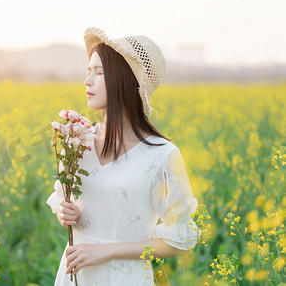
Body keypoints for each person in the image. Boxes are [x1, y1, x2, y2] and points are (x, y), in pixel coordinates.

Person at [46, 27, 202, 285]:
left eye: (99, 72)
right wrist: (65, 212)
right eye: (88, 71)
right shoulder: (77, 140)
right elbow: (66, 199)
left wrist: (106, 251)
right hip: (74, 275)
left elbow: (180, 239)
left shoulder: (162, 155)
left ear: (125, 80)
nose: (88, 81)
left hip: (125, 278)